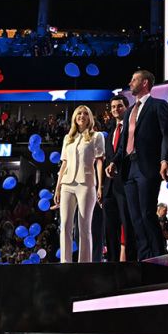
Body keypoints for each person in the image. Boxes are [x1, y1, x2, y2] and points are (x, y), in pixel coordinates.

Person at [110, 70, 168, 260]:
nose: (130, 82)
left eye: (134, 79)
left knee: (147, 214)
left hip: (147, 167)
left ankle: (159, 257)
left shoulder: (158, 106)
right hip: (129, 169)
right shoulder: (129, 113)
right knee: (135, 218)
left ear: (144, 83)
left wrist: (164, 160)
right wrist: (113, 162)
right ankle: (144, 258)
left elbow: (166, 135)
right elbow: (122, 144)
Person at [55, 104, 106, 262]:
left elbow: (99, 162)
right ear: (74, 117)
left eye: (85, 113)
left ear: (89, 117)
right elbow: (64, 164)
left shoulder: (96, 136)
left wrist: (99, 185)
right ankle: (65, 262)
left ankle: (84, 263)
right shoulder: (68, 138)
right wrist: (57, 188)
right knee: (65, 225)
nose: (81, 116)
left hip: (86, 183)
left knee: (84, 226)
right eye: (79, 113)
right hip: (67, 184)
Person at [101, 95, 133, 261]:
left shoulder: (131, 127)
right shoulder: (111, 131)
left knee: (127, 225)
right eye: (113, 107)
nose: (115, 110)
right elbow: (107, 158)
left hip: (126, 182)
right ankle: (112, 264)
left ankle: (130, 262)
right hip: (109, 188)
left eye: (119, 106)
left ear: (126, 107)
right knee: (110, 229)